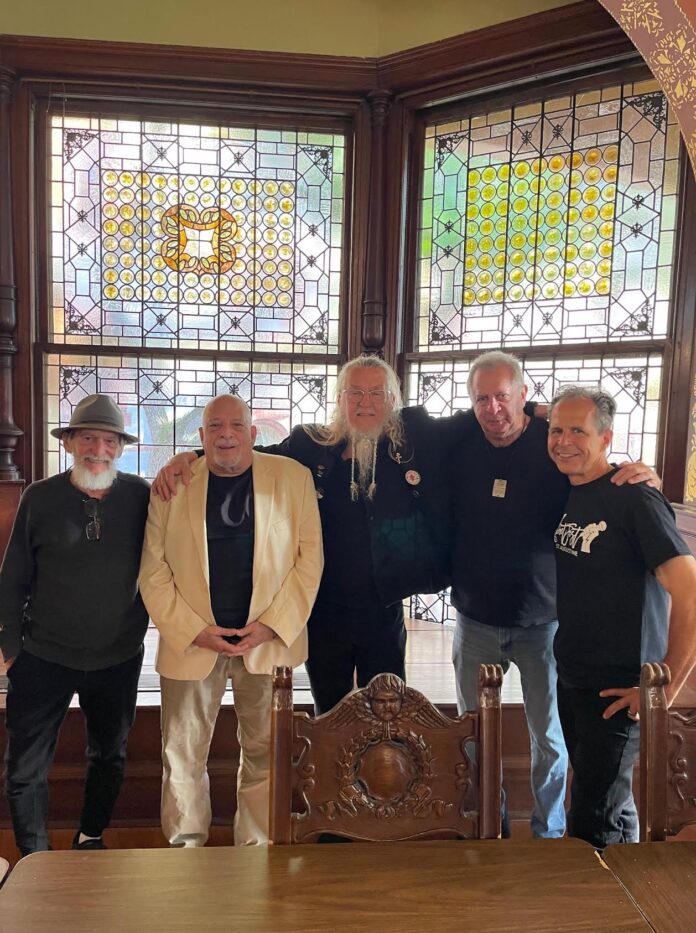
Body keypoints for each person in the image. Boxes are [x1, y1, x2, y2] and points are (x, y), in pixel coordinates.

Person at [153, 355, 473, 714]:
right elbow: (250, 453)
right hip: (323, 612)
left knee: (387, 715)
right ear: (339, 399)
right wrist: (189, 456)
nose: (365, 403)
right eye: (354, 393)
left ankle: (377, 772)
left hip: (383, 610)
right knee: (328, 716)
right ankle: (329, 773)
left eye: (375, 393)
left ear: (393, 401)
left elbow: (471, 422)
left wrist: (536, 411)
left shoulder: (414, 441)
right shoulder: (311, 445)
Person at [450, 351, 658, 839]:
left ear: (525, 396)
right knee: (474, 737)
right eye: (482, 397)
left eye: (504, 395)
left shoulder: (553, 450)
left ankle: (548, 832)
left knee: (549, 739)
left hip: (544, 626)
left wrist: (645, 475)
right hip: (474, 622)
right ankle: (489, 827)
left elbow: (597, 468)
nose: (493, 407)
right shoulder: (459, 445)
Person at [139, 394, 322, 847]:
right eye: (215, 426)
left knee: (265, 751)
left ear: (253, 434)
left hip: (267, 641)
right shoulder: (172, 485)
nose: (226, 434)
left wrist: (272, 625)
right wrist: (193, 630)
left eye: (236, 425)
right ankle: (185, 847)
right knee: (181, 752)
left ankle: (255, 849)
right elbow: (153, 570)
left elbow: (309, 561)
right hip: (193, 641)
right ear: (200, 437)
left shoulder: (292, 479)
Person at [0, 394, 149, 857]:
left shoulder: (143, 497)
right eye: (88, 437)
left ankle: (90, 836)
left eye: (108, 440)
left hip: (119, 656)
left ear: (120, 448)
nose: (98, 449)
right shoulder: (38, 497)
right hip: (42, 655)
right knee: (25, 768)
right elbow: (12, 579)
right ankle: (34, 858)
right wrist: (8, 650)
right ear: (69, 443)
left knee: (110, 755)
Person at [548, 385, 696, 849]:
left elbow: (691, 594)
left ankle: (603, 910)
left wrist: (664, 688)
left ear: (607, 437)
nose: (564, 440)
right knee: (607, 801)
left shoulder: (635, 498)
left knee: (594, 819)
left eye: (578, 430)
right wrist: (537, 412)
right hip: (573, 677)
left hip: (619, 689)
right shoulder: (574, 487)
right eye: (555, 430)